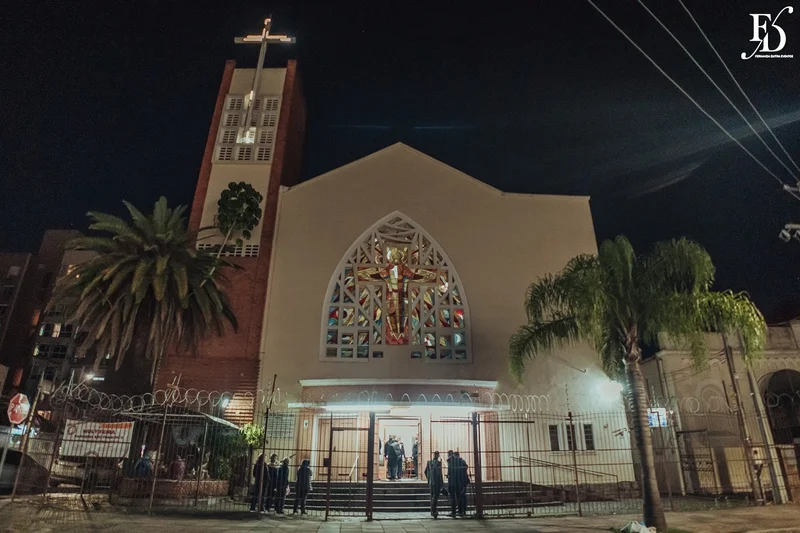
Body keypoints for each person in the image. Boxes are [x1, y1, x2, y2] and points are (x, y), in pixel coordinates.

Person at [424, 451, 444, 518]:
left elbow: (425, 471)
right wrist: (441, 483)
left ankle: (433, 510)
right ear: (438, 455)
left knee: (433, 496)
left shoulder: (429, 462)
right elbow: (439, 475)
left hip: (431, 482)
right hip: (436, 482)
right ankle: (434, 510)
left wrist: (429, 478)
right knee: (435, 497)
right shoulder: (438, 463)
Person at [455, 451, 470, 516]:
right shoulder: (462, 461)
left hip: (460, 481)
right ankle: (462, 510)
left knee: (460, 496)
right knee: (462, 495)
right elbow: (466, 467)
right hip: (463, 480)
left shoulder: (458, 462)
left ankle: (461, 510)